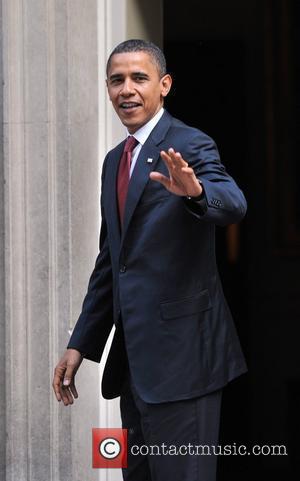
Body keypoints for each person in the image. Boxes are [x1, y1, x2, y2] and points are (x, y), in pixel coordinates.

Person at [52, 39, 247, 481]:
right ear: (107, 88)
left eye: (139, 78)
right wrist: (81, 343)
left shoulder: (190, 144)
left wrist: (196, 192)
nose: (127, 89)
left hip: (185, 364)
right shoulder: (112, 162)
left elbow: (233, 204)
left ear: (164, 85)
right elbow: (111, 263)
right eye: (117, 80)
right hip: (132, 370)